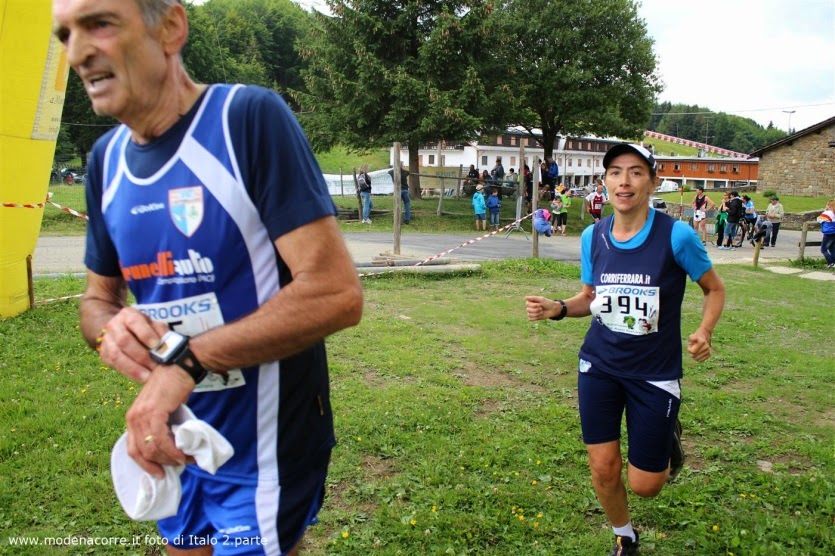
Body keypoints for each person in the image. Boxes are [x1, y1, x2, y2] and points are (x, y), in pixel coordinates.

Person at [54, 1, 365, 554]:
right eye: (65, 34)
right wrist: (109, 331)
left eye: (100, 23)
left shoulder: (246, 119)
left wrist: (187, 362)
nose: (77, 52)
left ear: (171, 27)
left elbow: (335, 294)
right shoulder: (105, 160)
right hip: (177, 436)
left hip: (265, 448)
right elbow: (97, 299)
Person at [525, 143, 725, 556]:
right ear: (605, 182)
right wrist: (558, 308)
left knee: (646, 485)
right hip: (599, 365)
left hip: (654, 372)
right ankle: (625, 537)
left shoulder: (677, 236)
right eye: (615, 172)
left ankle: (668, 438)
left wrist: (705, 330)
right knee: (602, 466)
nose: (624, 181)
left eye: (636, 172)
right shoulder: (593, 236)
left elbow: (714, 289)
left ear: (652, 181)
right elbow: (590, 297)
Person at [817, 199, 835, 268]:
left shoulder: (828, 213)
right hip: (834, 232)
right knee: (832, 249)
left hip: (828, 233)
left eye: (827, 204)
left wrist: (825, 210)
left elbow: (819, 219)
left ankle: (830, 263)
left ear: (830, 206)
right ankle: (834, 262)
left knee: (823, 249)